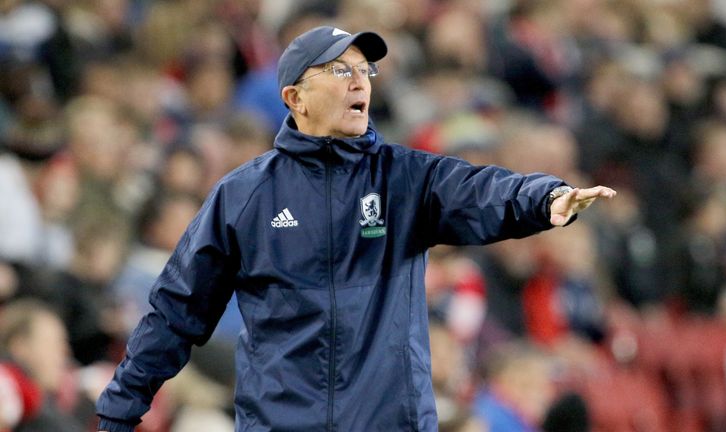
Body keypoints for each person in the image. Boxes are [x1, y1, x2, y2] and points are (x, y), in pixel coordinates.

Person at [95, 25, 616, 432]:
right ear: (294, 98)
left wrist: (543, 197)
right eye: (340, 71)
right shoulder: (245, 195)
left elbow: (481, 190)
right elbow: (176, 312)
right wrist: (120, 409)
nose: (360, 80)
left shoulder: (405, 178)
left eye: (365, 70)